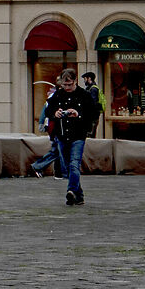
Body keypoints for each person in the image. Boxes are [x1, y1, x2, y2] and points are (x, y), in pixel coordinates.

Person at [41, 66, 99, 206]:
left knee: (74, 164)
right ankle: (79, 195)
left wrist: (78, 114)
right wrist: (55, 114)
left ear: (75, 82)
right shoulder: (58, 95)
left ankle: (71, 191)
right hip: (61, 135)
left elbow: (94, 114)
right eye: (64, 84)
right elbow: (48, 111)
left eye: (69, 84)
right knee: (67, 167)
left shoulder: (84, 95)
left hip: (78, 135)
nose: (66, 87)